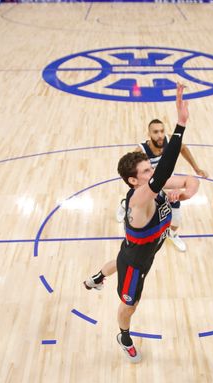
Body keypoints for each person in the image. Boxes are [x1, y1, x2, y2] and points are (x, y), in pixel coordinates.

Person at [83, 84, 190, 363]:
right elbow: (167, 168)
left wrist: (187, 191)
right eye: (146, 171)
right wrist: (180, 125)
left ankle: (96, 278)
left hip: (140, 249)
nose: (152, 172)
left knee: (118, 257)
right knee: (130, 304)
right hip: (136, 264)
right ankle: (124, 335)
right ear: (133, 181)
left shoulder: (153, 189)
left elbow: (192, 180)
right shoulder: (140, 199)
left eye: (150, 168)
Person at [115, 118, 206, 252]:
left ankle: (172, 234)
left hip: (166, 182)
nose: (160, 135)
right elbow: (131, 173)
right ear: (149, 134)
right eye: (156, 132)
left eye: (162, 131)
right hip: (149, 185)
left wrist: (196, 169)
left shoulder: (169, 141)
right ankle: (125, 204)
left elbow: (183, 148)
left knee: (176, 217)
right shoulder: (141, 151)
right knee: (139, 205)